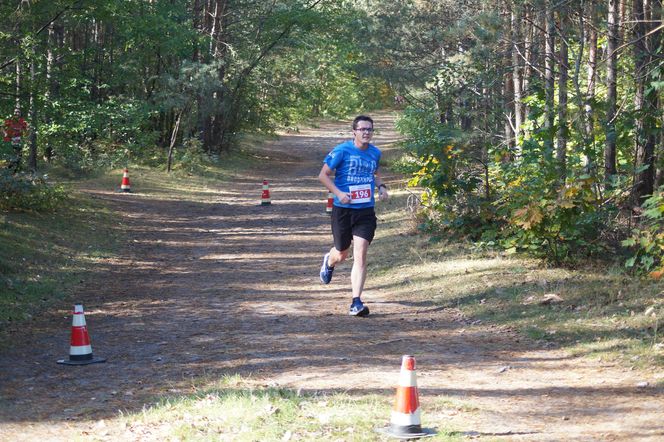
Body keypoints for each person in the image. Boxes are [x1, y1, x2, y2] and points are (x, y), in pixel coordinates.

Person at [318, 115, 389, 317]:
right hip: (343, 209)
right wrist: (339, 193)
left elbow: (374, 174)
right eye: (362, 129)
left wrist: (381, 187)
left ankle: (356, 302)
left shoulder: (375, 153)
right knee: (341, 253)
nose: (366, 132)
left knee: (361, 254)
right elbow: (323, 175)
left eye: (370, 129)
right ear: (354, 132)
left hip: (365, 210)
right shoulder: (342, 151)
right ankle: (329, 261)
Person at [3, 108, 28, 173]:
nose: (16, 113)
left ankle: (15, 172)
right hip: (9, 141)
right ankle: (7, 170)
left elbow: (26, 131)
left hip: (18, 141)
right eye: (15, 112)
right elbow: (2, 127)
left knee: (18, 156)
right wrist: (5, 133)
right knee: (10, 155)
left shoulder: (23, 121)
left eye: (18, 112)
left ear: (20, 113)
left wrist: (25, 134)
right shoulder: (10, 120)